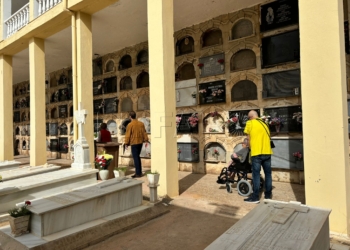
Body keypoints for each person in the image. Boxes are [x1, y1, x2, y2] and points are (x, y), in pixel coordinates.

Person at [243, 110, 273, 203]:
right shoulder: (265, 124)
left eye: (248, 117)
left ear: (251, 117)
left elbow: (248, 138)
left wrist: (249, 148)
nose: (248, 119)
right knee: (268, 174)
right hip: (267, 152)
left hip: (256, 153)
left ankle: (255, 197)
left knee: (256, 175)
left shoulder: (250, 123)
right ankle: (268, 195)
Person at [124, 111, 149, 178]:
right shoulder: (141, 123)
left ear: (130, 117)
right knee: (137, 157)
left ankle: (138, 173)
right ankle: (139, 171)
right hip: (140, 142)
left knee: (136, 158)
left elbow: (128, 135)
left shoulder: (130, 124)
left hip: (134, 142)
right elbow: (144, 132)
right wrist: (146, 140)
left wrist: (126, 143)